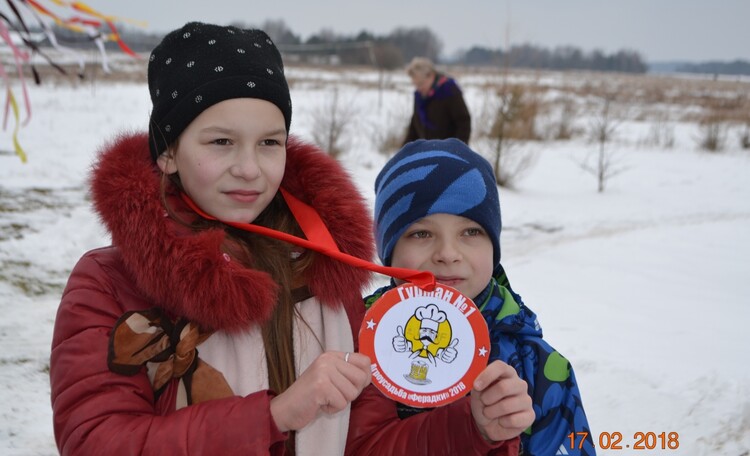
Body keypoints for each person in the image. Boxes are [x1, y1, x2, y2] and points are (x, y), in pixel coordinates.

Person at [49, 22, 532, 455]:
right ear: (169, 151)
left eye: (269, 142)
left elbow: (367, 442)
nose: (249, 168)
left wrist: (473, 429)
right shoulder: (111, 283)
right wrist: (274, 416)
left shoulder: (323, 269)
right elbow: (96, 440)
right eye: (221, 141)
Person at [367, 138, 596, 455]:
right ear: (388, 252)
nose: (448, 254)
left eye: (470, 232)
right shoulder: (352, 342)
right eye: (421, 233)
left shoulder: (539, 369)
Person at [403, 57, 472, 145]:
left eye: (421, 84)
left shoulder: (450, 90)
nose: (418, 88)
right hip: (426, 151)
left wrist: (458, 150)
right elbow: (414, 127)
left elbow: (463, 122)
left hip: (447, 152)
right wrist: (404, 151)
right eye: (416, 85)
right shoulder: (419, 95)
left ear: (431, 75)